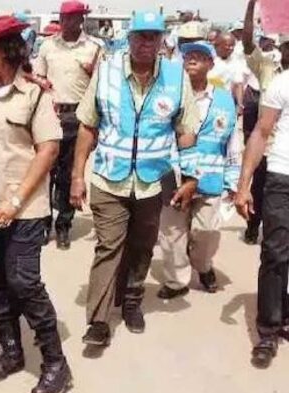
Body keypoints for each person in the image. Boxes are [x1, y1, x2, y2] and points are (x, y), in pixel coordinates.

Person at [0, 15, 72, 393]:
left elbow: (49, 150)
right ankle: (11, 352)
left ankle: (56, 363)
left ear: (7, 51)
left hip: (25, 209)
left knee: (24, 282)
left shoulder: (35, 95)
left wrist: (16, 200)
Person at [71, 11, 199, 346]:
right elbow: (87, 125)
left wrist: (190, 177)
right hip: (108, 180)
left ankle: (131, 301)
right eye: (140, 36)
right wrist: (76, 176)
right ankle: (98, 321)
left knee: (142, 247)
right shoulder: (108, 72)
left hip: (152, 182)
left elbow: (186, 132)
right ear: (129, 39)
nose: (146, 42)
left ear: (161, 41)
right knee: (108, 246)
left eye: (153, 36)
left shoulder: (176, 77)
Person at [157, 41, 240, 299]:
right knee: (172, 233)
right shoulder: (170, 96)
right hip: (174, 175)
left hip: (211, 178)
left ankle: (202, 266)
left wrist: (234, 181)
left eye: (200, 56)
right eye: (188, 56)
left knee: (205, 233)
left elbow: (232, 141)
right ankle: (176, 281)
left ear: (211, 65)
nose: (192, 59)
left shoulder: (225, 99)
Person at [235, 40, 289, 367]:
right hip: (282, 177)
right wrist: (244, 185)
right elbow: (261, 131)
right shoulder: (282, 84)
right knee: (275, 252)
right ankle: (268, 330)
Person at [35, 0, 101, 250]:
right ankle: (42, 223)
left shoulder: (94, 48)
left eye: (73, 18)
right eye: (64, 17)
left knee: (69, 175)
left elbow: (99, 88)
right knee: (44, 172)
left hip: (79, 118)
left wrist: (97, 127)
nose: (67, 22)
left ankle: (63, 225)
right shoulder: (48, 46)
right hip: (50, 115)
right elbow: (38, 77)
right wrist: (43, 86)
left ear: (81, 20)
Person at [239, 0, 285, 244]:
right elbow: (247, 43)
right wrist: (251, 6)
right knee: (258, 188)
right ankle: (252, 226)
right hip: (266, 147)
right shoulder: (266, 67)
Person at [208, 33, 244, 107]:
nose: (231, 48)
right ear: (219, 45)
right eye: (228, 45)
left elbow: (238, 84)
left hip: (223, 102)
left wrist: (240, 104)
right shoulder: (208, 58)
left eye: (233, 45)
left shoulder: (235, 63)